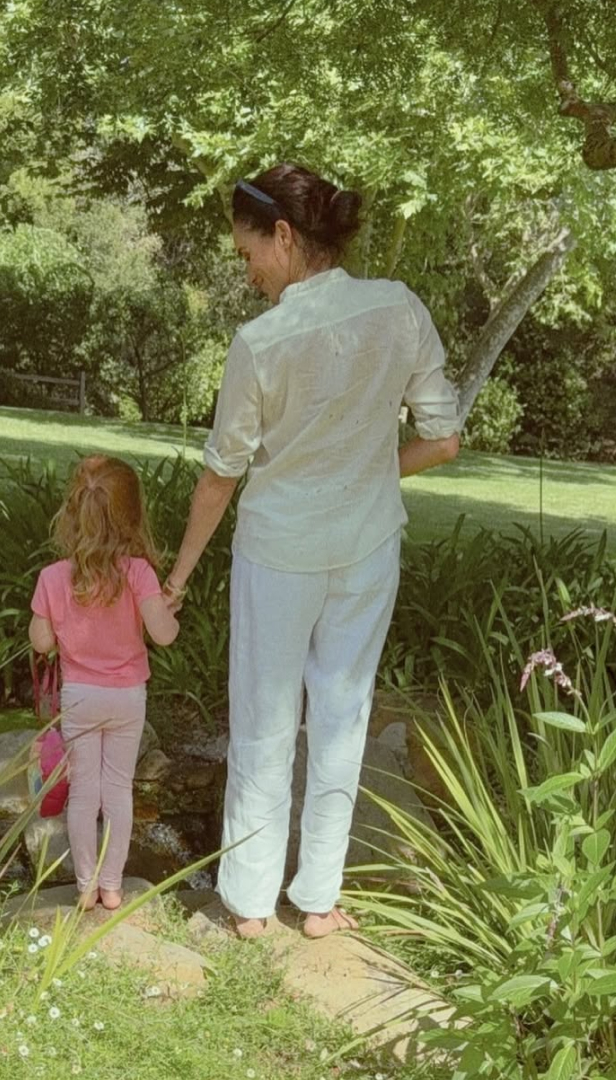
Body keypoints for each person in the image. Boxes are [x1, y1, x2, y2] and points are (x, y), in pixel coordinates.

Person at [161, 163, 462, 940]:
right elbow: (444, 438)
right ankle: (320, 900)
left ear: (285, 236)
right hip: (368, 548)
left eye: (247, 252)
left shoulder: (261, 343)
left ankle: (252, 904)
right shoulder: (398, 309)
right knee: (343, 712)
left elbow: (221, 476)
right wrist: (368, 471)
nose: (248, 271)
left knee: (263, 717)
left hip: (280, 550)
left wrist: (179, 577)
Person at [29, 456, 179, 911]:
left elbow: (41, 642)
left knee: (83, 791)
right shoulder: (139, 574)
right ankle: (112, 886)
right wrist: (168, 606)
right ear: (132, 517)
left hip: (79, 698)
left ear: (73, 513)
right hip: (127, 698)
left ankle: (84, 886)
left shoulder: (53, 577)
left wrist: (55, 622)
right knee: (117, 789)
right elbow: (165, 636)